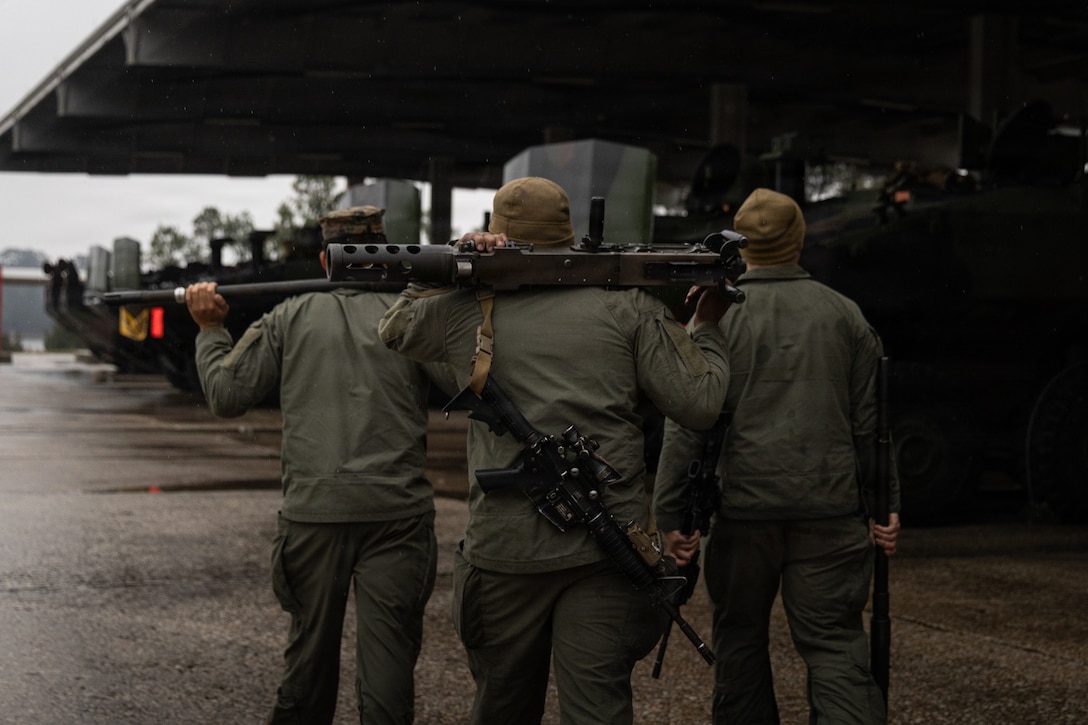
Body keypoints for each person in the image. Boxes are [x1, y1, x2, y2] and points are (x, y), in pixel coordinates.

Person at [378, 176, 734, 725]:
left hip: (505, 556)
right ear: (569, 232)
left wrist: (453, 263)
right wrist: (706, 326)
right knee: (598, 711)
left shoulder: (463, 311)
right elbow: (700, 403)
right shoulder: (628, 309)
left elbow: (396, 328)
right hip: (606, 553)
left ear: (495, 233)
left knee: (501, 707)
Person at [185, 206, 453, 725]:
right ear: (386, 254)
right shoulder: (414, 317)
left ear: (327, 258)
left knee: (306, 672)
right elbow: (474, 381)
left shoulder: (292, 316)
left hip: (314, 517)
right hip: (396, 517)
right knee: (389, 676)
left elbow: (226, 394)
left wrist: (210, 328)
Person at [654, 187, 902, 725]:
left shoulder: (712, 314)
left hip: (742, 513)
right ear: (800, 238)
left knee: (739, 641)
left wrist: (670, 516)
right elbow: (872, 426)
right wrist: (885, 506)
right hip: (830, 513)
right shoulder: (846, 315)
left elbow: (686, 422)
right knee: (835, 644)